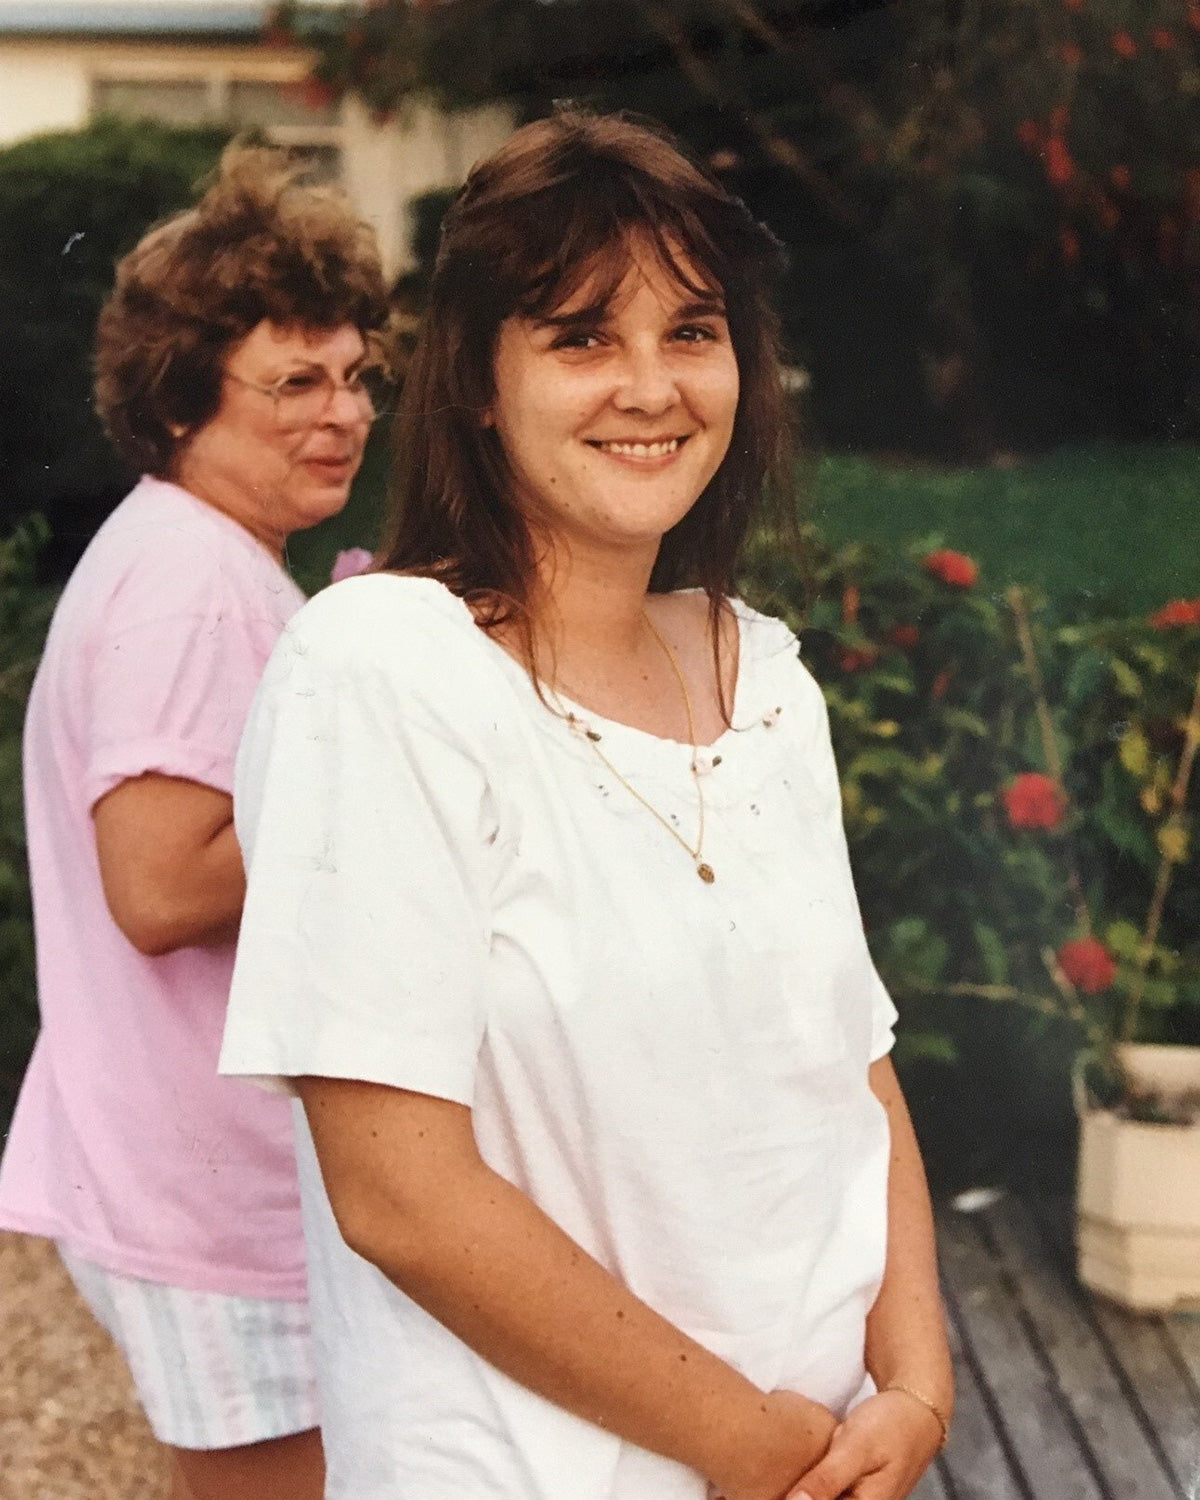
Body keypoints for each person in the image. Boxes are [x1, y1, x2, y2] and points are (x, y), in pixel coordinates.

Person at [219, 110, 953, 1500]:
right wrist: (759, 1447)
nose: (651, 385)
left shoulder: (769, 676)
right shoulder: (382, 672)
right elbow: (401, 1198)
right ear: (481, 385)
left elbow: (853, 1062)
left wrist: (915, 1383)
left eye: (691, 330)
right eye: (580, 338)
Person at [0, 144, 391, 1500]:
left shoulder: (203, 558)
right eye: (295, 381)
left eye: (356, 378)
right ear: (180, 400)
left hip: (185, 1172)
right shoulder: (192, 586)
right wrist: (390, 780)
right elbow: (161, 887)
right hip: (208, 1195)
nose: (342, 414)